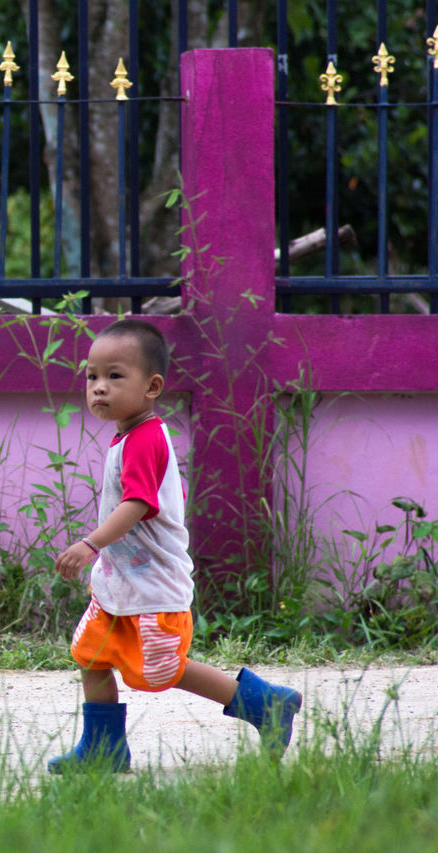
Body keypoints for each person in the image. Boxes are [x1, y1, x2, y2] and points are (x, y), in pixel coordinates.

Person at [47, 318, 301, 773]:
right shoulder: (131, 434)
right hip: (122, 584)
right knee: (92, 654)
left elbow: (139, 504)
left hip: (152, 590)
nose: (99, 388)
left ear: (153, 386)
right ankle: (104, 751)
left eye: (114, 376)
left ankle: (267, 705)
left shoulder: (144, 439)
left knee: (163, 670)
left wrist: (90, 543)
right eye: (92, 377)